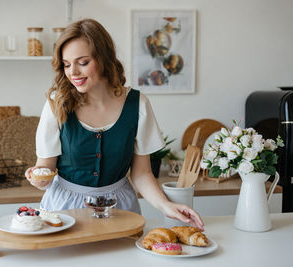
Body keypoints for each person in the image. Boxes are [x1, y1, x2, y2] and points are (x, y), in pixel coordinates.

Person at [25, 18, 204, 230]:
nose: (72, 72)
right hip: (65, 211)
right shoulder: (57, 103)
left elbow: (142, 173)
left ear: (103, 58)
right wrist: (40, 180)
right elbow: (46, 167)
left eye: (82, 62)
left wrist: (166, 205)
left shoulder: (137, 104)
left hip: (120, 210)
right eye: (66, 64)